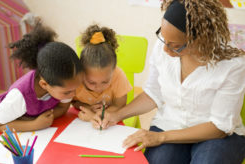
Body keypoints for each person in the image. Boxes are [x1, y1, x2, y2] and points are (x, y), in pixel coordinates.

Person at [92, 0, 245, 163]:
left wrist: (161, 137)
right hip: (170, 124)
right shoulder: (165, 45)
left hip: (216, 135)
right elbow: (153, 94)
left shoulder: (232, 64)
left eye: (176, 45)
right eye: (163, 38)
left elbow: (219, 127)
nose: (165, 49)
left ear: (201, 40)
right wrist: (116, 115)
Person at [0, 21, 82, 133]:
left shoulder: (66, 85)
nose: (73, 94)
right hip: (8, 124)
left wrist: (40, 120)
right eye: (67, 93)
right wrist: (34, 124)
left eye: (75, 89)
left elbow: (62, 109)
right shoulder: (19, 97)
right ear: (44, 85)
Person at [72, 24, 132, 122]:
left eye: (105, 82)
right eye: (91, 82)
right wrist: (87, 107)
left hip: (110, 119)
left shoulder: (118, 75)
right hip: (80, 119)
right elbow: (74, 101)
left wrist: (100, 115)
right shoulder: (76, 79)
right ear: (81, 73)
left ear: (113, 71)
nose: (99, 88)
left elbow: (119, 105)